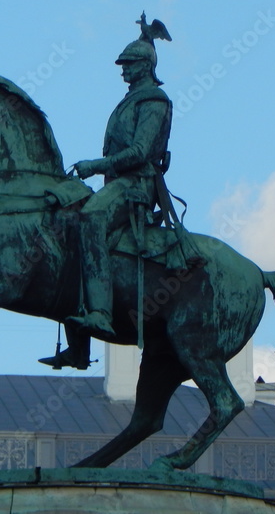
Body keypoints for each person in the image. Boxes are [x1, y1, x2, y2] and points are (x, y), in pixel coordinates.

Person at [66, 18, 173, 341]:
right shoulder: (128, 101)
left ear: (145, 65)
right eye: (123, 64)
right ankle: (78, 343)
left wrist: (96, 165)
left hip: (136, 186)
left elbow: (141, 151)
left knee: (91, 216)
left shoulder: (153, 100)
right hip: (116, 184)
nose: (123, 70)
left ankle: (100, 313)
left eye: (129, 64)